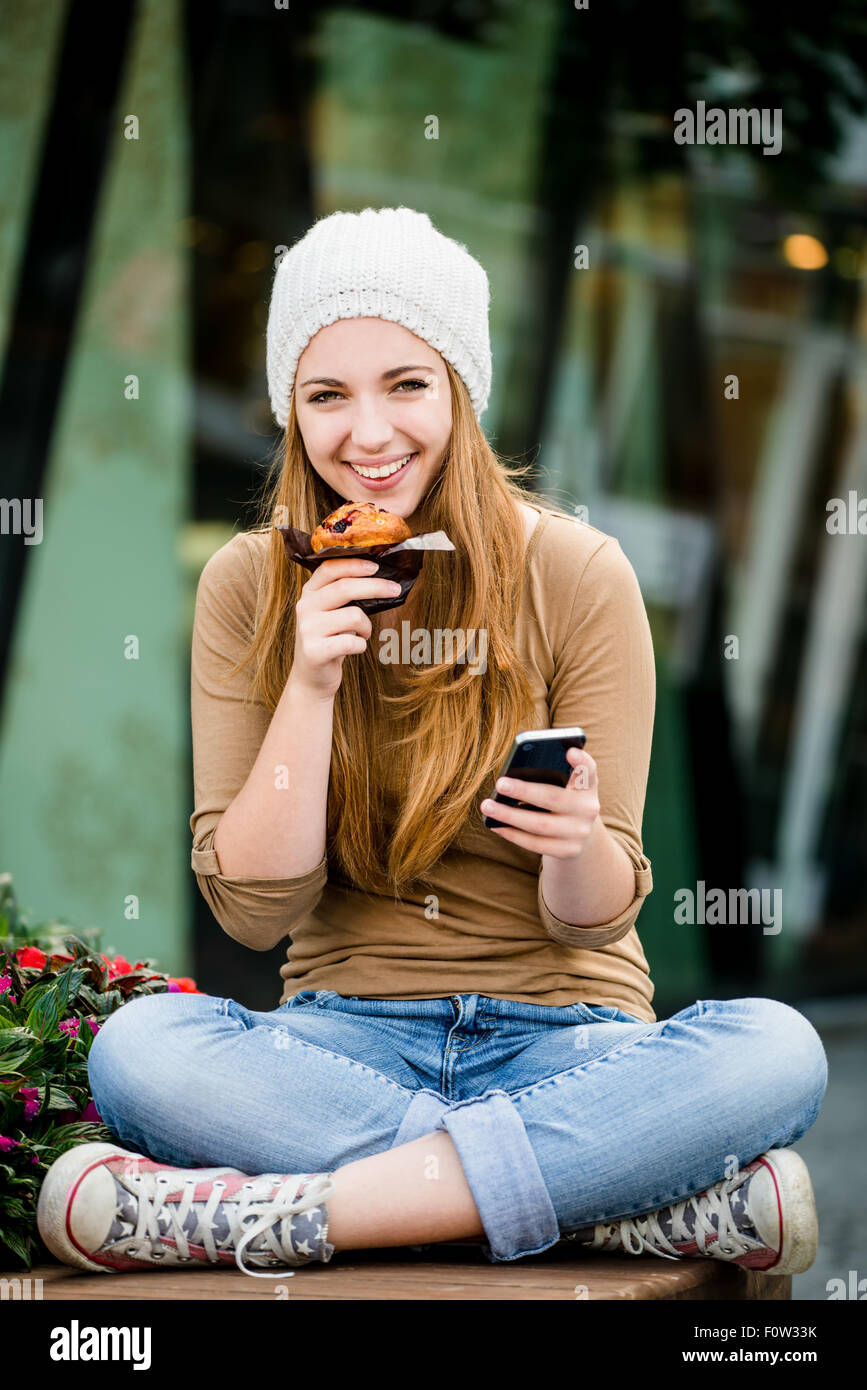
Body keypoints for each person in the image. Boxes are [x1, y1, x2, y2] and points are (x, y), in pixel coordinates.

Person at [37, 207, 827, 1282]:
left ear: (461, 389)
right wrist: (311, 680)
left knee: (778, 1050)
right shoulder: (248, 585)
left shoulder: (578, 574)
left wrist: (574, 840)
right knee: (138, 1051)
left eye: (406, 384)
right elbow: (253, 907)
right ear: (290, 410)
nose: (368, 434)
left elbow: (595, 911)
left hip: (570, 1042)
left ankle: (309, 1213)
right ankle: (611, 1202)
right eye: (327, 395)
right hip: (339, 1045)